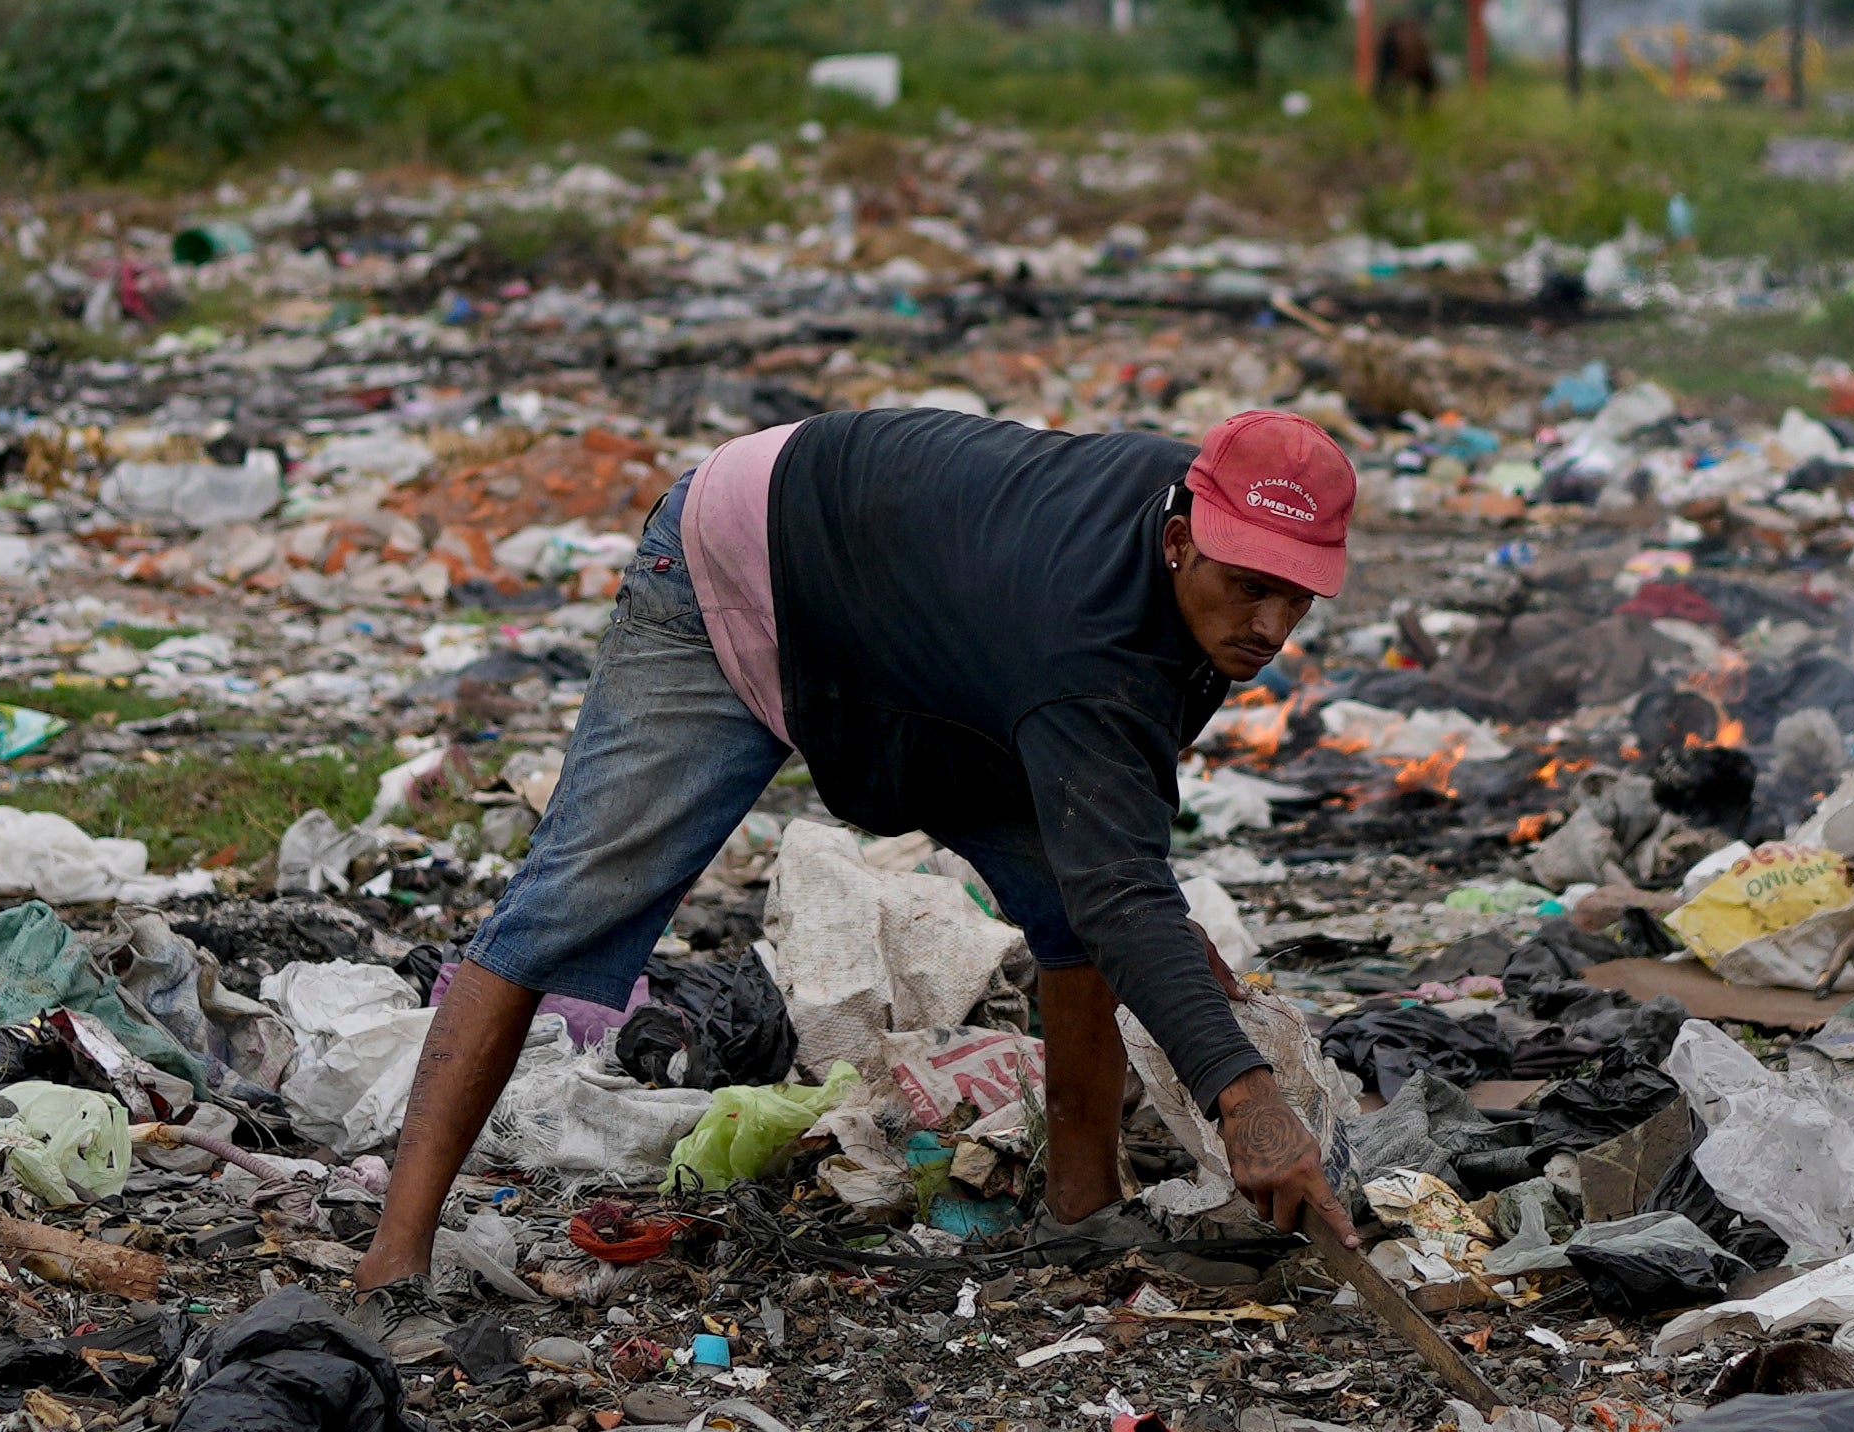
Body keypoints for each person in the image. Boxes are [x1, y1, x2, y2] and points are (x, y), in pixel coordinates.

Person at [347, 400, 1358, 1289]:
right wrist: (1245, 1099)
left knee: (1071, 906)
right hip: (747, 561)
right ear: (1178, 538)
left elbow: (1113, 857)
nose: (1268, 625)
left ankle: (1080, 1211)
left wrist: (1175, 957)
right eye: (1245, 588)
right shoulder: (1088, 644)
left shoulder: (1202, 581)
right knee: (571, 899)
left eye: (1293, 595)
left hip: (929, 646)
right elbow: (1124, 888)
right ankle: (394, 1256)